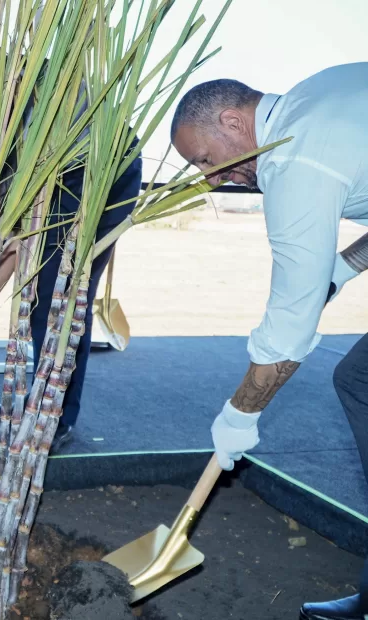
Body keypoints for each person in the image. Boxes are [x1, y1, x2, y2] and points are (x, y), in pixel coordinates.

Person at [170, 64, 368, 620]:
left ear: (233, 121)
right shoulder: (321, 93)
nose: (210, 179)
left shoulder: (292, 160)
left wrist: (241, 414)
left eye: (206, 160)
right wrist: (344, 269)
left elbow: (289, 327)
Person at [0, 39, 143, 453]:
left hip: (101, 176)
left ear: (9, 81)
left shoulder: (55, 101)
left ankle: (54, 413)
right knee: (31, 286)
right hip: (49, 178)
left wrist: (5, 261)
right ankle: (32, 397)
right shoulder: (2, 119)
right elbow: (5, 231)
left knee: (60, 294)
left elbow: (23, 231)